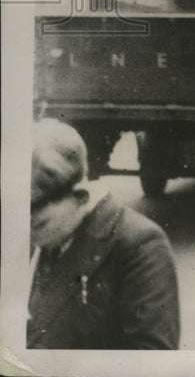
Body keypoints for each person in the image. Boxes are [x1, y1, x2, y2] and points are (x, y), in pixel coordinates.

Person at [27, 118, 180, 350]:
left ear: (80, 197)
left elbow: (152, 359)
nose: (28, 235)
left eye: (40, 224)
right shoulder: (44, 235)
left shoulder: (139, 245)